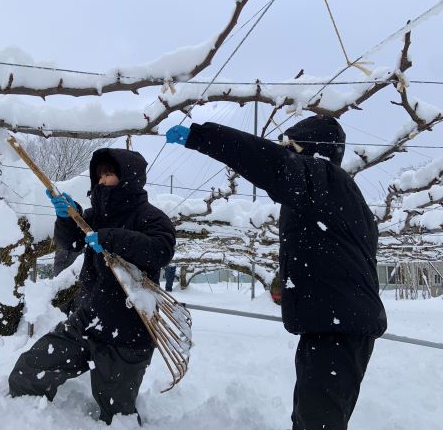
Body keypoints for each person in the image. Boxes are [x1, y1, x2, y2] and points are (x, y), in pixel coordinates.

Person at [166, 116, 387, 430]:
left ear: (312, 150)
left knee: (318, 422)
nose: (286, 152)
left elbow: (269, 162)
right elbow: (336, 255)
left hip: (338, 325)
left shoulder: (322, 177)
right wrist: (290, 283)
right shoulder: (333, 194)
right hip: (333, 322)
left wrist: (202, 136)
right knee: (311, 417)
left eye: (291, 147)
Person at [8, 148, 176, 425]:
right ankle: (21, 420)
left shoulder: (151, 217)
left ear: (127, 178)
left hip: (129, 331)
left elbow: (160, 250)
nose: (101, 180)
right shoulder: (95, 214)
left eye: (108, 174)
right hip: (87, 319)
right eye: (99, 175)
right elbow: (73, 242)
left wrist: (111, 238)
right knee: (29, 372)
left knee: (116, 415)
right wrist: (67, 217)